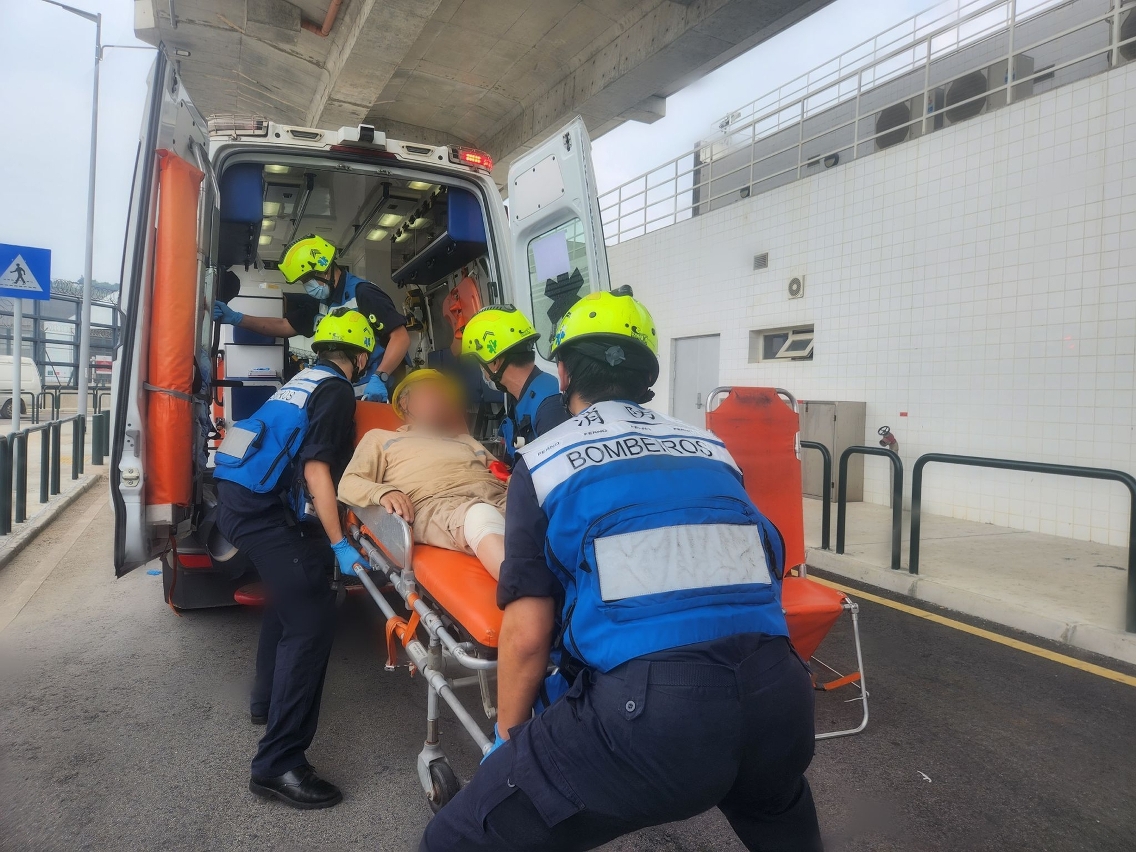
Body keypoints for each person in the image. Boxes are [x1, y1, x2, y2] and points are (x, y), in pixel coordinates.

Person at [421, 287, 822, 852]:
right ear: (646, 377)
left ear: (563, 374)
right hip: (779, 698)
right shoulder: (712, 449)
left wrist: (508, 745)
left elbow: (528, 635)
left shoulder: (546, 462)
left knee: (452, 839)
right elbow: (763, 560)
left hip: (652, 719)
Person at [213, 308, 374, 810]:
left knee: (290, 597)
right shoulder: (337, 391)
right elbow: (317, 470)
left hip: (235, 496)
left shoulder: (300, 381)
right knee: (311, 615)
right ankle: (278, 764)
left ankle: (265, 701)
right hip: (260, 511)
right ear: (361, 357)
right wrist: (340, 543)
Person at [338, 369, 509, 579]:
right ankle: (522, 588)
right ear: (404, 402)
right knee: (480, 515)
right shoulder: (380, 439)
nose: (439, 400)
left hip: (498, 498)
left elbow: (500, 472)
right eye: (430, 393)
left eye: (443, 396)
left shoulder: (466, 440)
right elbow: (348, 483)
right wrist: (383, 493)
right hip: (440, 504)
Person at [212, 235, 410, 401]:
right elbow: (284, 325)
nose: (307, 286)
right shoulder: (322, 302)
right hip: (352, 393)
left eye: (307, 279)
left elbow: (400, 337)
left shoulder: (363, 293)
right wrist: (237, 318)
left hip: (383, 391)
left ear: (324, 269)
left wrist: (380, 377)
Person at [460, 305, 567, 462]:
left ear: (495, 362)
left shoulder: (549, 409)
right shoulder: (522, 397)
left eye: (480, 363)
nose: (481, 370)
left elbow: (560, 470)